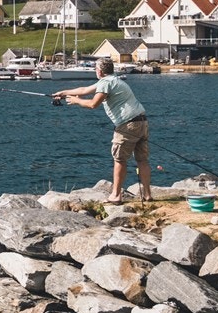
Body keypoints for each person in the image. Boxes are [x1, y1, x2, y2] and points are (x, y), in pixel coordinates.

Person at [53, 57, 152, 203]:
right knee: (142, 160)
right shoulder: (114, 80)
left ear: (99, 71)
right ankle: (147, 195)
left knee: (120, 159)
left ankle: (116, 196)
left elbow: (93, 104)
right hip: (142, 122)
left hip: (127, 125)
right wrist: (63, 93)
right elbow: (84, 90)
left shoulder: (105, 83)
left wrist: (76, 101)